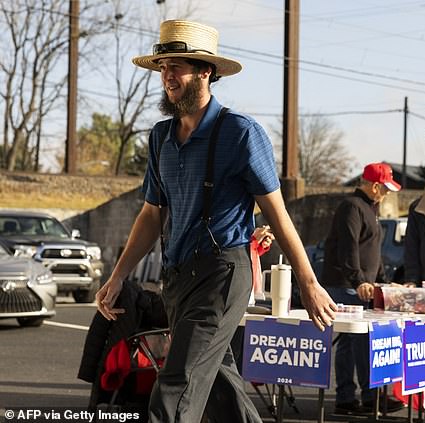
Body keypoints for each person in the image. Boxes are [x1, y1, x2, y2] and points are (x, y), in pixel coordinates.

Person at [95, 20, 336, 423]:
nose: (167, 76)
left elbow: (277, 214)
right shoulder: (160, 137)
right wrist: (118, 276)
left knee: (175, 389)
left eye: (177, 66)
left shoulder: (241, 134)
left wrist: (308, 283)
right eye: (163, 67)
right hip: (177, 281)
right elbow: (151, 215)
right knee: (222, 393)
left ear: (206, 71)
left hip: (222, 276)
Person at [320, 162, 405, 415]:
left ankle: (349, 398)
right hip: (345, 286)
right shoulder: (352, 207)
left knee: (350, 342)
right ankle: (369, 397)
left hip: (358, 285)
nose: (388, 194)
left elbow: (372, 251)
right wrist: (359, 281)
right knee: (359, 340)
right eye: (386, 188)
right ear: (375, 186)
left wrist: (381, 281)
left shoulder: (370, 208)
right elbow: (349, 249)